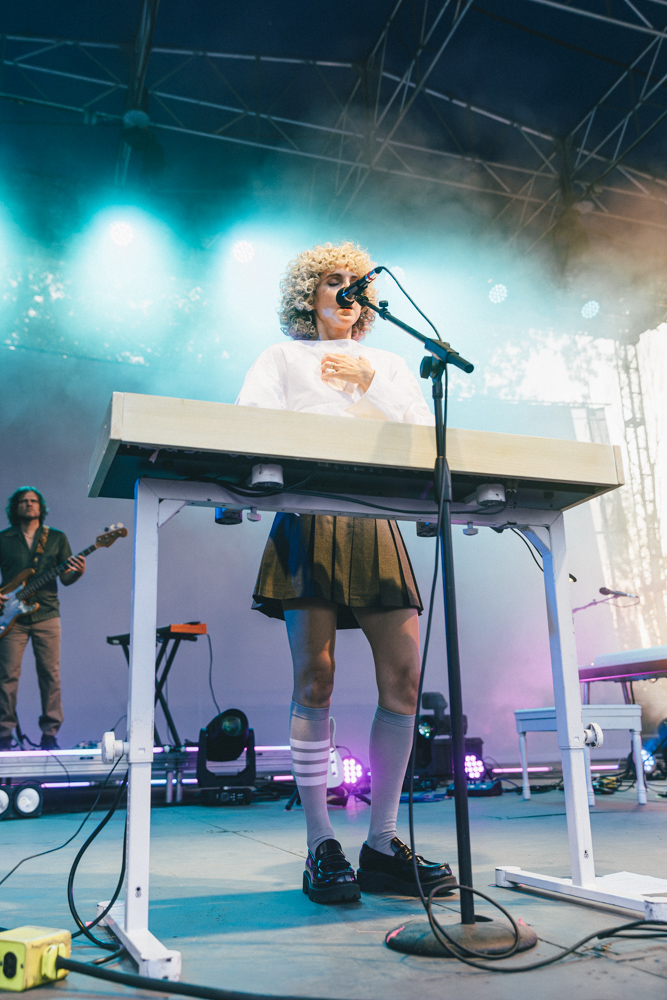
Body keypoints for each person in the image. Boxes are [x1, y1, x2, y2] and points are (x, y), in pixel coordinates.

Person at [236, 241, 455, 904]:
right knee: (317, 675)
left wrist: (368, 389)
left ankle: (382, 843)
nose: (343, 290)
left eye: (354, 282)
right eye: (331, 281)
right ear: (308, 293)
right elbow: (246, 424)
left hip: (374, 515)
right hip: (309, 511)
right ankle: (319, 842)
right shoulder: (280, 357)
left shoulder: (385, 363)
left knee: (405, 676)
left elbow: (424, 432)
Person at [0, 488, 85, 752]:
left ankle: (50, 733)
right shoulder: (4, 539)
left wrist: (79, 572)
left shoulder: (56, 538)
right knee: (7, 676)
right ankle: (4, 733)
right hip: (11, 617)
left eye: (33, 501)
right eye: (23, 502)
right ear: (16, 507)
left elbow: (66, 578)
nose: (28, 504)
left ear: (41, 506)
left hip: (47, 613)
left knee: (51, 675)